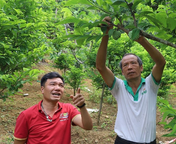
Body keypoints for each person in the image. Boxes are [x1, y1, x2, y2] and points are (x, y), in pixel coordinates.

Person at [96, 16, 166, 144]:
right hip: (124, 141)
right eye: (125, 65)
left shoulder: (151, 84)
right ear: (122, 72)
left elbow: (161, 63)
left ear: (141, 68)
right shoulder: (118, 87)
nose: (129, 67)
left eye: (133, 63)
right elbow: (100, 66)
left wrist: (141, 40)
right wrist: (106, 34)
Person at [13, 72, 93, 144]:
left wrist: (82, 106)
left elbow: (88, 126)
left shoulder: (68, 109)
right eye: (53, 84)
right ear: (42, 89)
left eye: (61, 85)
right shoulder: (26, 115)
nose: (58, 88)